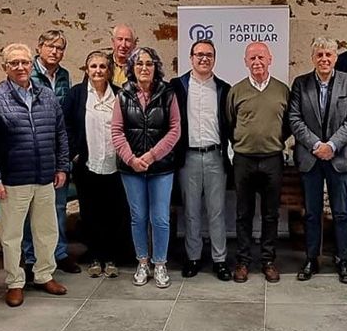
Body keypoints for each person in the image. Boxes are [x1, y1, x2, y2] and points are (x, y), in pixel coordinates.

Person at [0, 43, 70, 306]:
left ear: (32, 64)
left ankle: (43, 274)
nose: (20, 67)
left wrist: (62, 166)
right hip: (12, 180)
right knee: (11, 236)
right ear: (5, 67)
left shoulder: (47, 95)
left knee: (46, 231)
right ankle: (15, 281)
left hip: (44, 178)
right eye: (14, 62)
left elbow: (60, 134)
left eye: (25, 62)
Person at [289, 37, 347, 283]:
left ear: (336, 58)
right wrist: (315, 145)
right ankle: (311, 259)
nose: (324, 59)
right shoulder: (300, 83)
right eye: (319, 55)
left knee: (342, 213)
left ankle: (343, 260)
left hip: (339, 156)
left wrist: (331, 145)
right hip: (310, 158)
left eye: (328, 55)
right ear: (313, 58)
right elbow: (294, 119)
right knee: (312, 212)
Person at [110, 46, 181, 288]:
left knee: (160, 218)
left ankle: (160, 264)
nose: (144, 68)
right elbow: (117, 131)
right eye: (139, 64)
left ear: (156, 67)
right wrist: (132, 159)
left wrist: (150, 156)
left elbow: (175, 130)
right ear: (131, 68)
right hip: (131, 169)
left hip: (161, 168)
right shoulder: (122, 95)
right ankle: (143, 262)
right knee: (138, 217)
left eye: (149, 63)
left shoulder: (168, 93)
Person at [227, 42, 291, 283]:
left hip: (272, 159)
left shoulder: (282, 91)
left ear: (270, 59)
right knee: (243, 213)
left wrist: (273, 140)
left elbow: (287, 125)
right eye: (252, 58)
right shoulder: (236, 91)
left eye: (261, 57)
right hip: (243, 159)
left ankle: (268, 260)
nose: (257, 62)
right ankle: (243, 261)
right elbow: (229, 123)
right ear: (245, 61)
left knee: (270, 214)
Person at [62, 50, 129, 278]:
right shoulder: (77, 95)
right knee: (90, 213)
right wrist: (74, 153)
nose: (98, 71)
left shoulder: (120, 95)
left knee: (114, 213)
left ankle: (110, 258)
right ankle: (94, 257)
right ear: (87, 70)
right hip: (87, 165)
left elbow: (128, 127)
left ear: (109, 71)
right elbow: (66, 126)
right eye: (93, 67)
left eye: (102, 66)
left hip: (115, 164)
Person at [172, 40, 234, 281]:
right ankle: (193, 258)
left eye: (208, 55)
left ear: (214, 59)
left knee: (217, 211)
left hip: (215, 156)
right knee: (191, 211)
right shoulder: (178, 86)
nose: (204, 59)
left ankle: (220, 260)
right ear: (191, 58)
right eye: (199, 55)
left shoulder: (223, 88)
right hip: (188, 157)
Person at [25, 30, 80, 277]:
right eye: (50, 46)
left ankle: (59, 253)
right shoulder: (28, 72)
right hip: (32, 151)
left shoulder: (64, 76)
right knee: (30, 208)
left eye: (60, 48)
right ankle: (29, 256)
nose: (55, 52)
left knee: (58, 207)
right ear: (39, 47)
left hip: (57, 150)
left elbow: (65, 116)